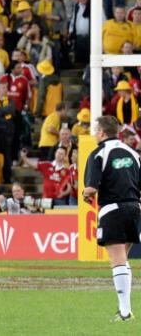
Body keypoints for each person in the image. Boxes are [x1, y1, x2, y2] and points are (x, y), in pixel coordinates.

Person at [83, 115, 141, 322]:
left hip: (112, 209)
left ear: (101, 132)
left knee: (116, 260)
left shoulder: (98, 153)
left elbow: (91, 188)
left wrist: (85, 194)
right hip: (135, 208)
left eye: (95, 129)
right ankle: (125, 310)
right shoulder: (133, 153)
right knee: (123, 260)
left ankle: (125, 312)